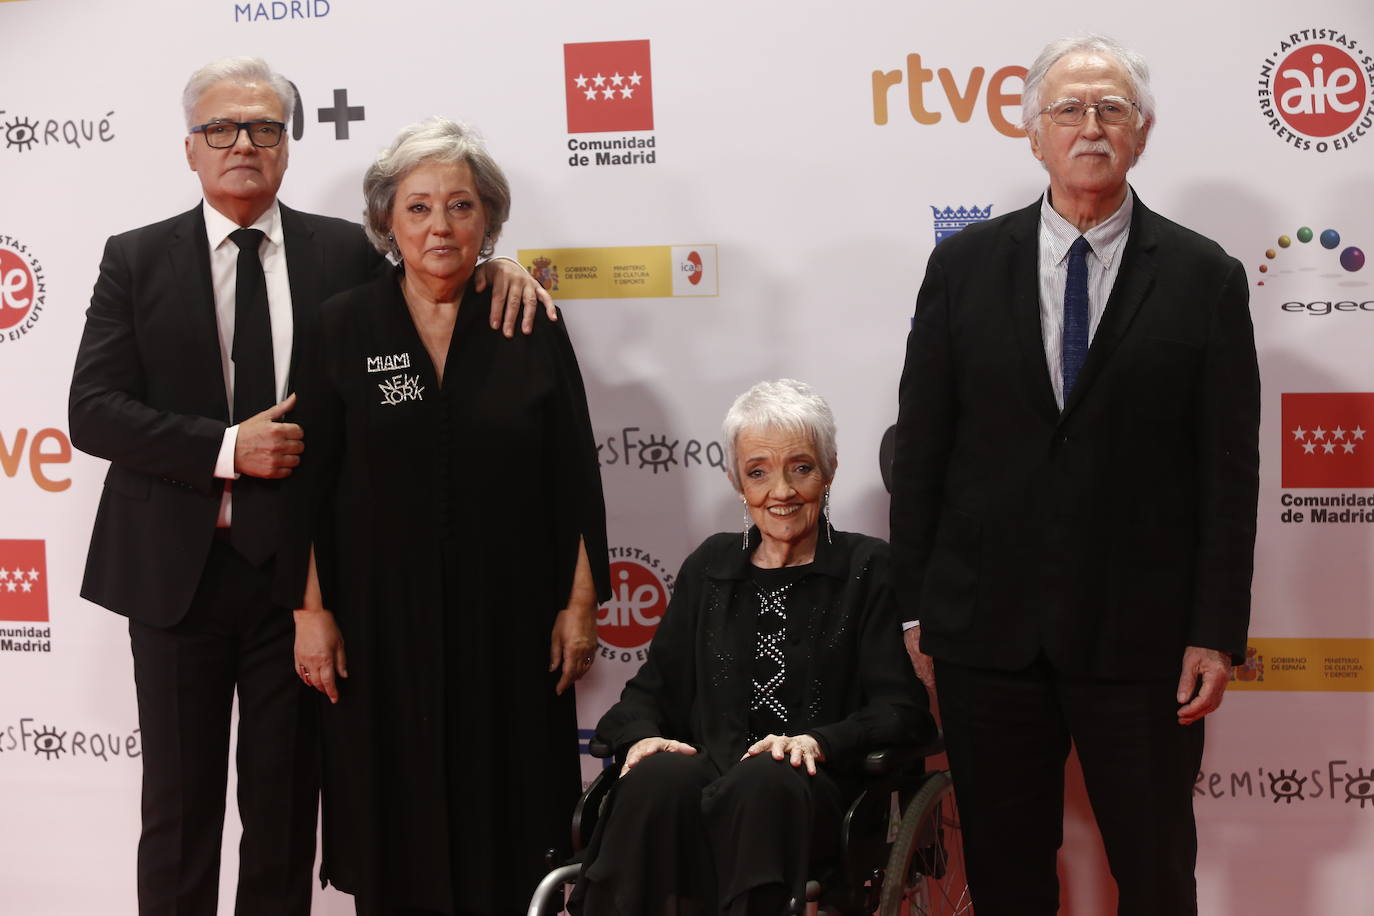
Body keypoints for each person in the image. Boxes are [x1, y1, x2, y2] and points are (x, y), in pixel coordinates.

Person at [68, 58, 551, 916]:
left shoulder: (342, 254)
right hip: (174, 576)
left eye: (264, 127)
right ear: (190, 149)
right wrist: (225, 448)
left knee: (286, 814)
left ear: (289, 146)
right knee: (177, 814)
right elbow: (94, 413)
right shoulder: (134, 259)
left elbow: (430, 275)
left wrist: (500, 271)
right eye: (222, 128)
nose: (243, 144)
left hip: (302, 586)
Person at [889, 34, 1260, 915]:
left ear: (1142, 131)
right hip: (987, 636)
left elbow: (1229, 470)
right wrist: (918, 607)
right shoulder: (963, 266)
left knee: (1158, 873)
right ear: (1034, 135)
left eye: (1111, 108)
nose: (1090, 126)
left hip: (1145, 641)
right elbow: (923, 451)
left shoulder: (1205, 277)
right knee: (1009, 877)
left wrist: (1215, 628)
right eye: (1068, 109)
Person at [287, 117, 611, 915]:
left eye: (461, 207)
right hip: (377, 627)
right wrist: (309, 611)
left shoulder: (527, 319)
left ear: (489, 222)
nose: (441, 226)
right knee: (392, 824)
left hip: (507, 622)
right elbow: (307, 482)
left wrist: (579, 604)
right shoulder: (342, 324)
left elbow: (573, 473)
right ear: (387, 223)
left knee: (510, 823)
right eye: (420, 207)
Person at [570, 379, 934, 916]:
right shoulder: (710, 566)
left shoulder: (868, 568)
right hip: (709, 775)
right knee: (656, 777)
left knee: (765, 778)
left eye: (801, 467)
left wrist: (818, 741)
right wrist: (642, 738)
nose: (781, 491)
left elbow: (900, 710)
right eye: (758, 471)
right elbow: (650, 691)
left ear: (829, 469)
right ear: (738, 481)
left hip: (808, 794)